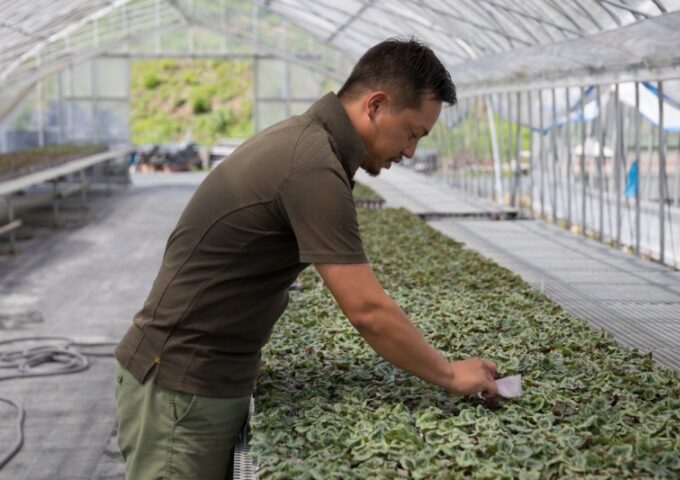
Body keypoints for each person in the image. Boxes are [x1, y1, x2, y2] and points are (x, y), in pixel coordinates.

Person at [113, 37, 498, 480]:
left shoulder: (309, 143)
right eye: (413, 133)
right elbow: (367, 309)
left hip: (199, 380)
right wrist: (449, 374)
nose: (410, 151)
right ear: (375, 105)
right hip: (180, 387)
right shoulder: (311, 165)